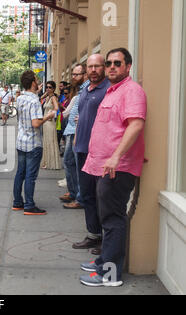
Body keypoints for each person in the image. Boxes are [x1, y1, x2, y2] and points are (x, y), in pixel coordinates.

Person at [79, 48, 146, 287]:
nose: (111, 67)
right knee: (105, 216)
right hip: (102, 166)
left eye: (117, 63)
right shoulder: (112, 91)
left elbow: (136, 125)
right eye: (108, 63)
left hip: (117, 168)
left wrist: (116, 157)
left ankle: (110, 274)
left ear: (128, 66)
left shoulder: (132, 90)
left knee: (112, 219)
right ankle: (103, 263)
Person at [72, 54, 111, 254]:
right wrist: (76, 139)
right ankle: (93, 235)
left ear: (103, 67)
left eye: (97, 66)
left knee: (101, 198)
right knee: (86, 195)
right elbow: (82, 118)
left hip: (98, 153)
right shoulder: (85, 90)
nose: (93, 70)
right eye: (90, 66)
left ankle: (105, 240)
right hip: (81, 149)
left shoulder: (108, 90)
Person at [12, 71, 55, 215]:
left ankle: (17, 202)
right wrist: (48, 116)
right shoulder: (34, 101)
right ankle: (29, 205)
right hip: (33, 143)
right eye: (36, 80)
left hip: (21, 141)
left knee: (20, 173)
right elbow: (36, 123)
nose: (38, 82)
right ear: (32, 83)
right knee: (30, 176)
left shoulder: (20, 98)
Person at [60, 64, 89, 210]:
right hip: (71, 131)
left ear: (85, 74)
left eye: (76, 74)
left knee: (77, 165)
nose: (73, 77)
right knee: (69, 162)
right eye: (72, 74)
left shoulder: (88, 89)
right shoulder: (82, 90)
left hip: (77, 132)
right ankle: (74, 192)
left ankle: (80, 197)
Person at [40, 81, 61, 170]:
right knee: (46, 142)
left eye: (50, 87)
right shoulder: (48, 97)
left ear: (53, 88)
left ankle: (52, 163)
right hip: (45, 123)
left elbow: (56, 108)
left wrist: (50, 114)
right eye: (47, 87)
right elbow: (40, 98)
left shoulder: (53, 98)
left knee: (50, 142)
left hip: (49, 122)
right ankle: (47, 161)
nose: (48, 89)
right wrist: (46, 93)